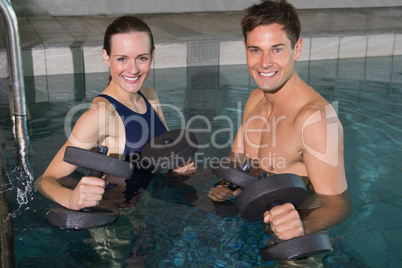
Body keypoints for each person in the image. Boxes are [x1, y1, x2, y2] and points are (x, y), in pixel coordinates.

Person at [208, 0, 350, 247]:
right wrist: (226, 184)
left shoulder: (315, 120)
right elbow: (237, 159)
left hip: (298, 219)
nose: (264, 62)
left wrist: (301, 227)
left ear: (297, 49)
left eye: (277, 49)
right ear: (245, 49)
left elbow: (338, 205)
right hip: (255, 208)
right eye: (255, 50)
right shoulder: (254, 100)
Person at [35, 16, 194, 211]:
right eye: (122, 59)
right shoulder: (101, 116)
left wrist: (178, 171)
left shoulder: (149, 96)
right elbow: (45, 180)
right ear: (106, 57)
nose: (133, 69)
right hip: (114, 223)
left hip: (143, 209)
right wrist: (70, 198)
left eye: (142, 58)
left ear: (152, 55)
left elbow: (162, 157)